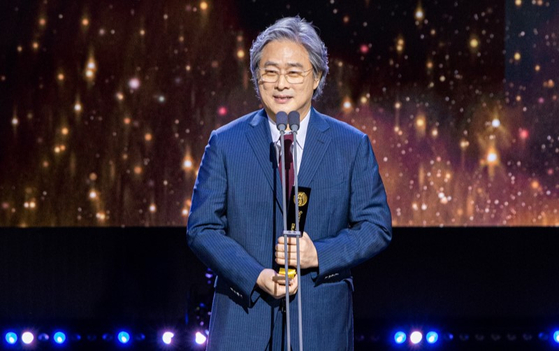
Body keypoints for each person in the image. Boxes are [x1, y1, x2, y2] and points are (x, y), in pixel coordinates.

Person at [187, 16, 392, 351]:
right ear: (256, 78)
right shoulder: (225, 143)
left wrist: (317, 255)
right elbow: (202, 228)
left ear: (317, 78)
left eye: (294, 72)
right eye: (270, 72)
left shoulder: (350, 145)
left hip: (319, 323)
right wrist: (255, 275)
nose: (281, 83)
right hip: (243, 321)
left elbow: (376, 227)